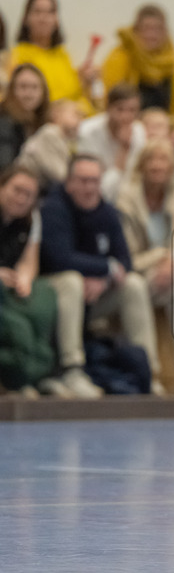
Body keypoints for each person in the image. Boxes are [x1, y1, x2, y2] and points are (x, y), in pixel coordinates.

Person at [39, 154, 161, 397]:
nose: (89, 188)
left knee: (133, 284)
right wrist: (105, 268)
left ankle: (148, 370)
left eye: (94, 181)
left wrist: (104, 279)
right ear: (69, 182)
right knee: (72, 280)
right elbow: (60, 258)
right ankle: (72, 370)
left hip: (92, 296)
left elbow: (125, 261)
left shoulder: (106, 211)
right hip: (54, 293)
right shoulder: (54, 208)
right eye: (83, 181)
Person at [114, 139, 174, 392]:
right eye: (151, 160)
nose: (157, 166)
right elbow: (127, 256)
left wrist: (173, 262)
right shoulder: (126, 200)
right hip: (141, 278)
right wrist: (163, 257)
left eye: (163, 160)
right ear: (141, 166)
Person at [0, 166, 60, 399]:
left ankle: (38, 374)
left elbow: (29, 261)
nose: (22, 198)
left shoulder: (31, 219)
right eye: (17, 190)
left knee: (42, 299)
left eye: (29, 194)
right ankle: (15, 376)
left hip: (11, 285)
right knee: (19, 326)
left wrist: (25, 278)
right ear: (2, 186)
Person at [101, 4, 174, 129]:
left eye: (157, 29)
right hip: (128, 126)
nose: (152, 35)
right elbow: (111, 101)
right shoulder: (121, 57)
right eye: (146, 28)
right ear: (136, 30)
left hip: (165, 128)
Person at [9, 0, 97, 113]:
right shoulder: (17, 55)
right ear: (26, 18)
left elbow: (77, 95)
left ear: (56, 20)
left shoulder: (63, 55)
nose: (43, 18)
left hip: (75, 118)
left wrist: (86, 82)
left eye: (50, 12)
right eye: (37, 12)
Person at [77, 83, 146, 201]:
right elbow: (97, 188)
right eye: (120, 109)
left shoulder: (139, 131)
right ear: (108, 107)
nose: (126, 116)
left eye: (132, 110)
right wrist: (123, 150)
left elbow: (133, 181)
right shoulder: (87, 131)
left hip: (127, 199)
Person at [16, 98, 83, 192]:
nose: (80, 119)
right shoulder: (49, 133)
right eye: (75, 114)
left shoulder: (67, 139)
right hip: (24, 188)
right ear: (56, 114)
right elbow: (60, 175)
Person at [0, 63, 49, 168]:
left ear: (43, 92)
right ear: (12, 90)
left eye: (34, 87)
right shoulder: (4, 121)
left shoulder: (45, 121)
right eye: (23, 87)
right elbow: (5, 165)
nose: (29, 94)